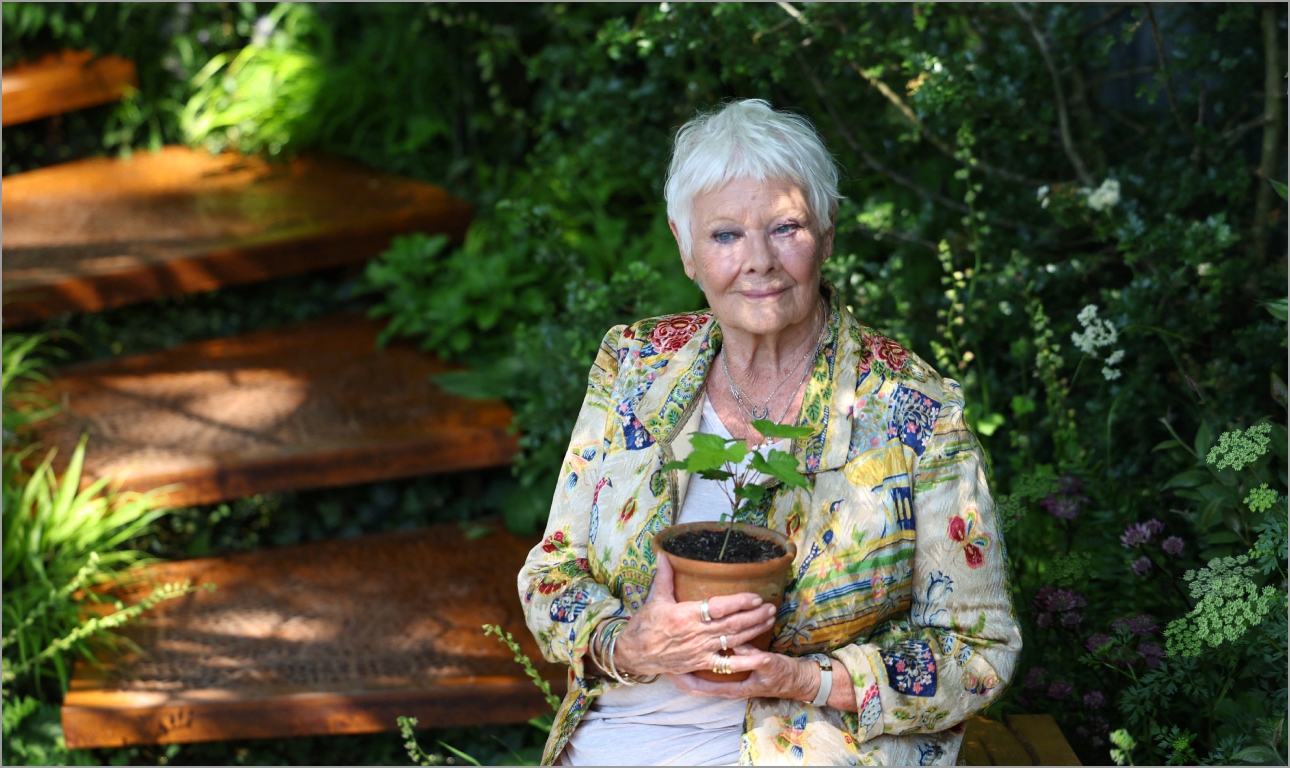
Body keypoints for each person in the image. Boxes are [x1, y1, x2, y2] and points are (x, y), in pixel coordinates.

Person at [518, 98, 1021, 766]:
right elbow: (552, 573)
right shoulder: (637, 367)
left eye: (785, 228)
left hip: (813, 747)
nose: (758, 261)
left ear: (828, 233)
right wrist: (627, 644)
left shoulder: (912, 406)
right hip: (615, 739)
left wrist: (807, 679)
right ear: (685, 248)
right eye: (725, 235)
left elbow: (979, 651)